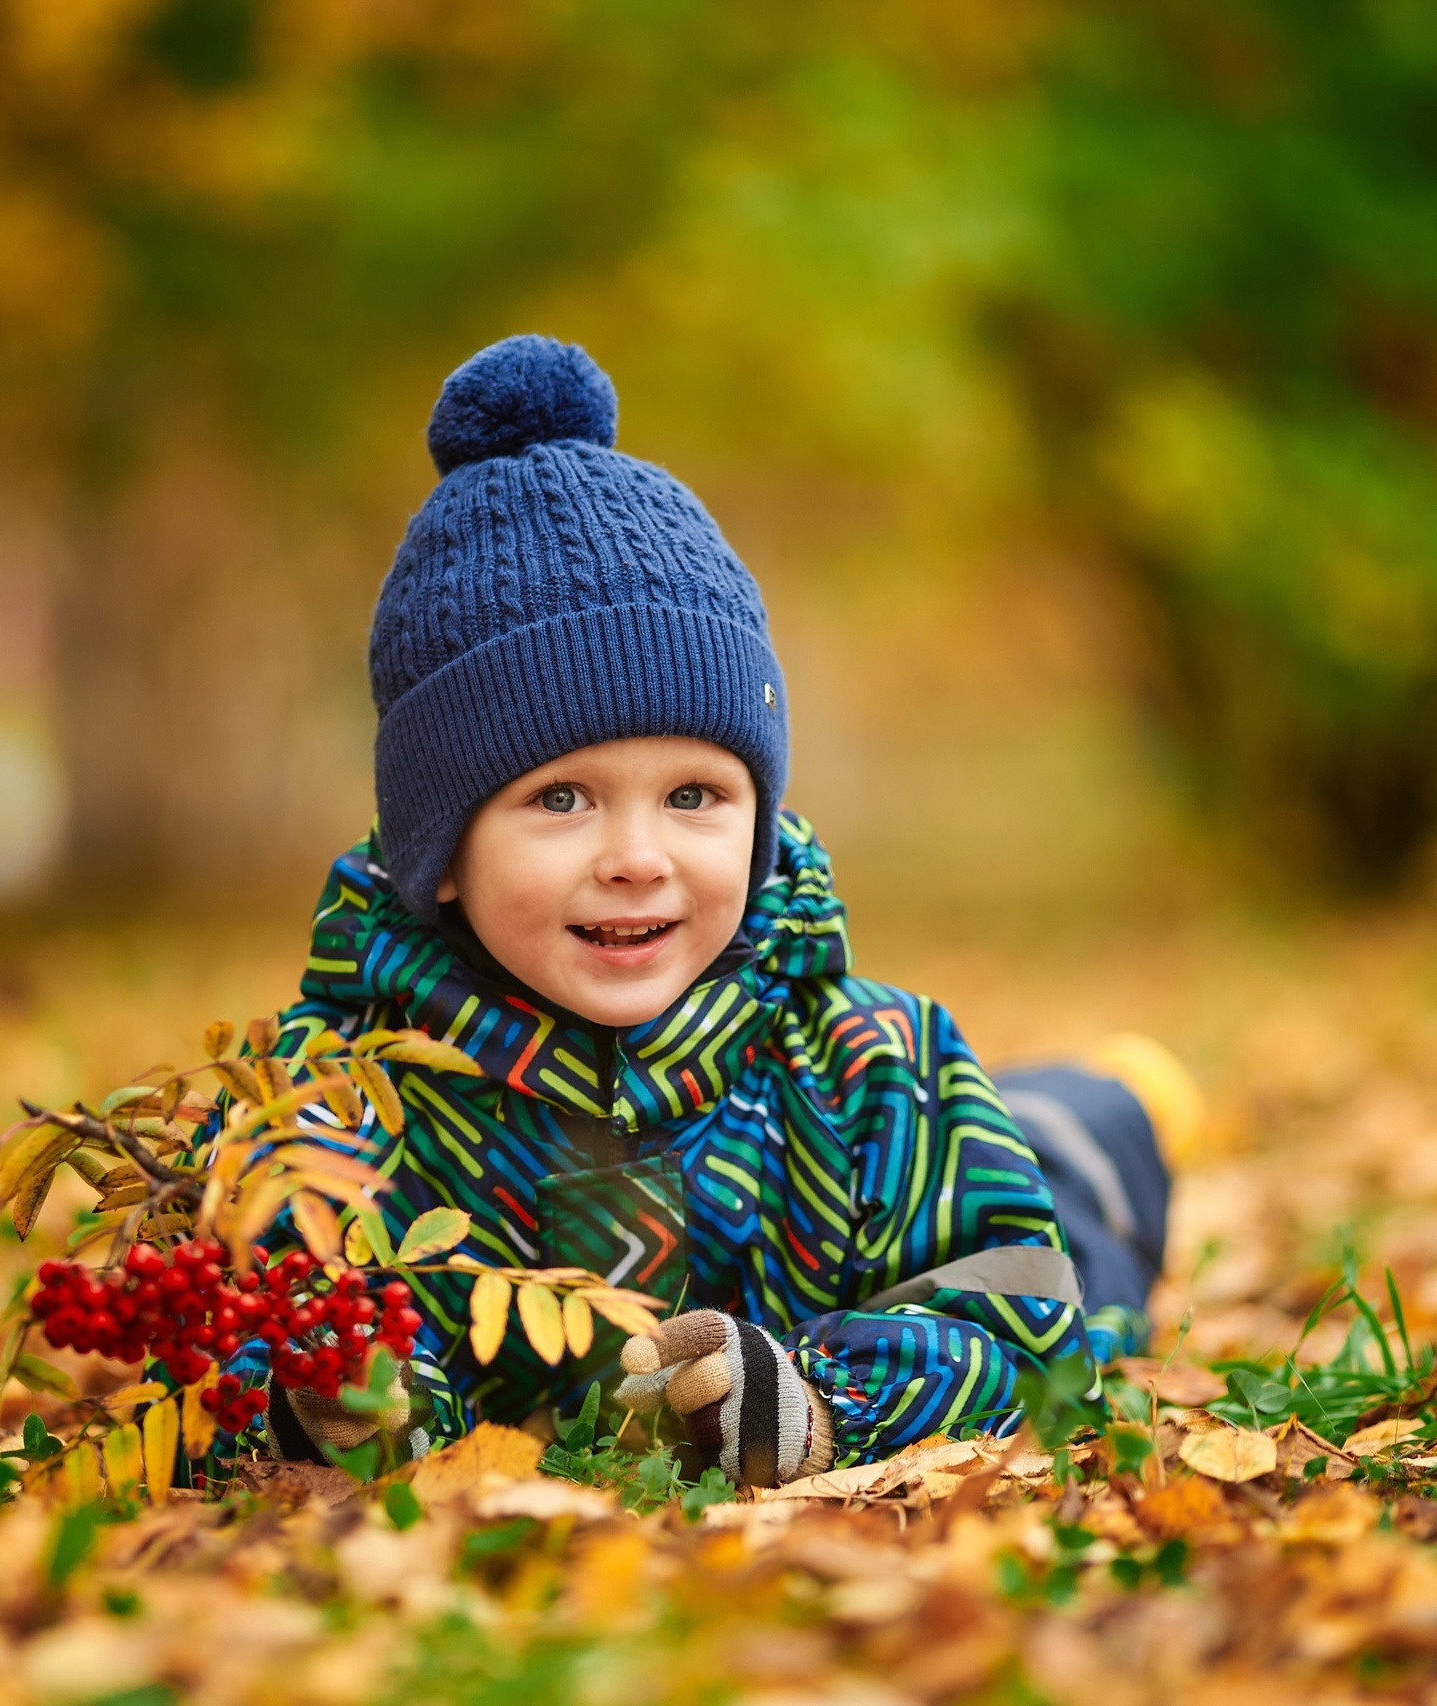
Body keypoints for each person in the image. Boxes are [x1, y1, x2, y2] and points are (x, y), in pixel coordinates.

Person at [252, 335, 1188, 1487]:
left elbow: (1020, 1328)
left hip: (1014, 1166)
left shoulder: (872, 1066)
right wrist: (349, 1396)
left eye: (694, 795)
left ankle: (1126, 1107)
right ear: (437, 852)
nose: (638, 856)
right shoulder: (335, 1102)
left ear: (760, 811)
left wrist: (818, 1401)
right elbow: (259, 1328)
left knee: (1066, 1180)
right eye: (561, 798)